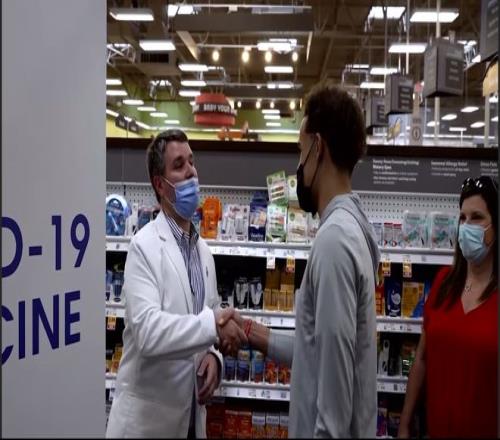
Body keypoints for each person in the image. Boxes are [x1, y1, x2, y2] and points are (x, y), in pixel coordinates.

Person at [221, 82, 381, 437]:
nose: (298, 165)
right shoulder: (352, 227)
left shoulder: (334, 241)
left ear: (317, 147)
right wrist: (251, 331)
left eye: (300, 150)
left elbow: (334, 403)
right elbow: (317, 350)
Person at [106, 129, 247, 438]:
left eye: (192, 162)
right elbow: (148, 332)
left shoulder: (203, 251)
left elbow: (208, 317)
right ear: (160, 184)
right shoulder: (144, 247)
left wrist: (214, 357)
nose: (191, 172)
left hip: (192, 420)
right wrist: (214, 326)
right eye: (179, 165)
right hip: (148, 425)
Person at [398, 176, 498, 438]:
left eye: (477, 217)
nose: (466, 226)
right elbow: (420, 358)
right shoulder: (443, 283)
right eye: (462, 218)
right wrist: (405, 422)